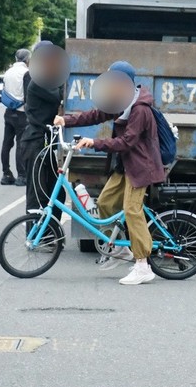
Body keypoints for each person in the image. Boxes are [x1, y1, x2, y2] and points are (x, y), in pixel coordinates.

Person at [55, 61, 165, 286]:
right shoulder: (120, 102)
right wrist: (65, 120)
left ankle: (143, 265)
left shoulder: (140, 109)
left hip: (141, 167)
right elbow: (94, 115)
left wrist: (94, 142)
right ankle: (122, 248)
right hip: (126, 166)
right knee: (105, 202)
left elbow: (127, 141)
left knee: (132, 211)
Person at [20, 42, 66, 223]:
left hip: (47, 142)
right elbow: (59, 95)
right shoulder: (38, 81)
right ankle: (34, 234)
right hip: (35, 142)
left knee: (57, 191)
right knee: (37, 193)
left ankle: (50, 232)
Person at [0, 49, 31, 186]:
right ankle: (22, 175)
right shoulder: (26, 73)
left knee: (7, 143)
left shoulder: (8, 72)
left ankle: (6, 173)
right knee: (20, 144)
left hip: (9, 112)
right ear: (27, 60)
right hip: (21, 113)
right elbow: (28, 94)